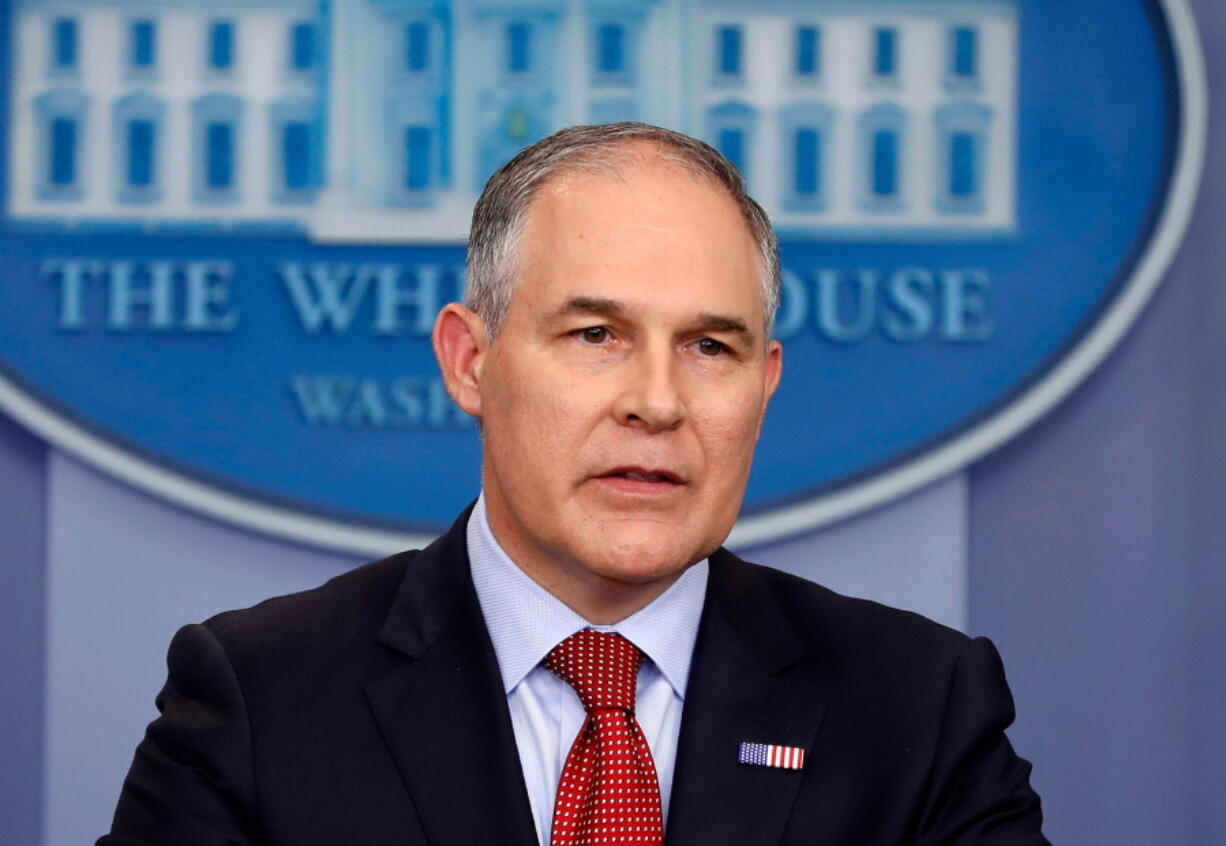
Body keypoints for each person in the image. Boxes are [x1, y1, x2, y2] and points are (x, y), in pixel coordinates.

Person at [99, 123, 1049, 846]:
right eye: (596, 336)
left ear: (763, 388)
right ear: (470, 362)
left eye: (710, 347)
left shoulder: (921, 709)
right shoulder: (261, 698)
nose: (656, 402)